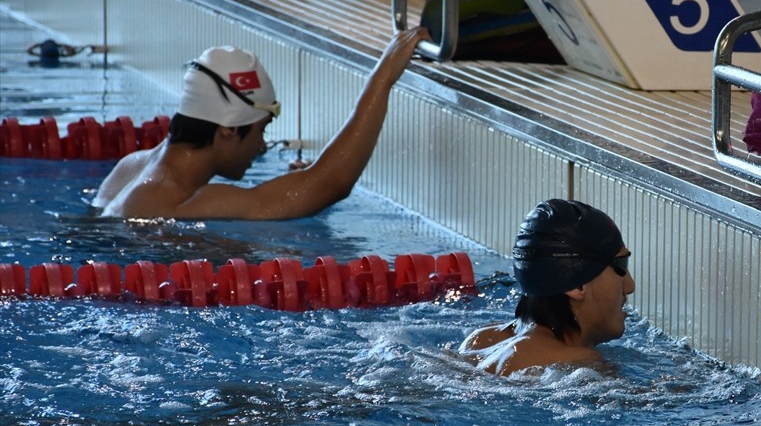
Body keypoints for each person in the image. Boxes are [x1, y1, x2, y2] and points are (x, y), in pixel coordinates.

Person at [92, 27, 429, 219]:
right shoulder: (177, 203)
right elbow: (332, 183)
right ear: (227, 129)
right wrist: (382, 79)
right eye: (260, 129)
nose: (262, 146)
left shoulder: (131, 166)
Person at [460, 199, 635, 376]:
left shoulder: (480, 340)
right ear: (576, 284)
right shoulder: (578, 363)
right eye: (621, 265)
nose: (630, 286)